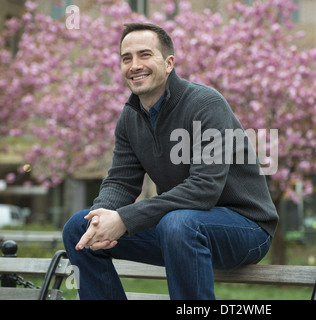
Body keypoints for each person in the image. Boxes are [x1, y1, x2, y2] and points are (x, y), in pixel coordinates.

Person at [62, 23, 278, 300]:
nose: (134, 65)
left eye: (145, 55)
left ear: (168, 63)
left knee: (179, 223)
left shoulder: (205, 104)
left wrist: (125, 219)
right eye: (126, 58)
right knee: (78, 227)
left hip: (246, 229)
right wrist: (101, 218)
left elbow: (204, 188)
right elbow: (120, 181)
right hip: (180, 231)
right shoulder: (130, 117)